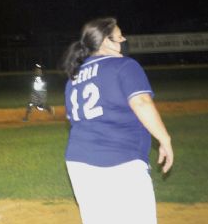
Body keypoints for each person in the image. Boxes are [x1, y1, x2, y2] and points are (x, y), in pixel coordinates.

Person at [61, 18, 173, 224]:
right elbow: (141, 102)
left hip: (79, 162)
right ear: (105, 41)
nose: (124, 40)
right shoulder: (124, 65)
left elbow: (73, 119)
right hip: (121, 160)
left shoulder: (73, 78)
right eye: (119, 36)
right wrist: (164, 139)